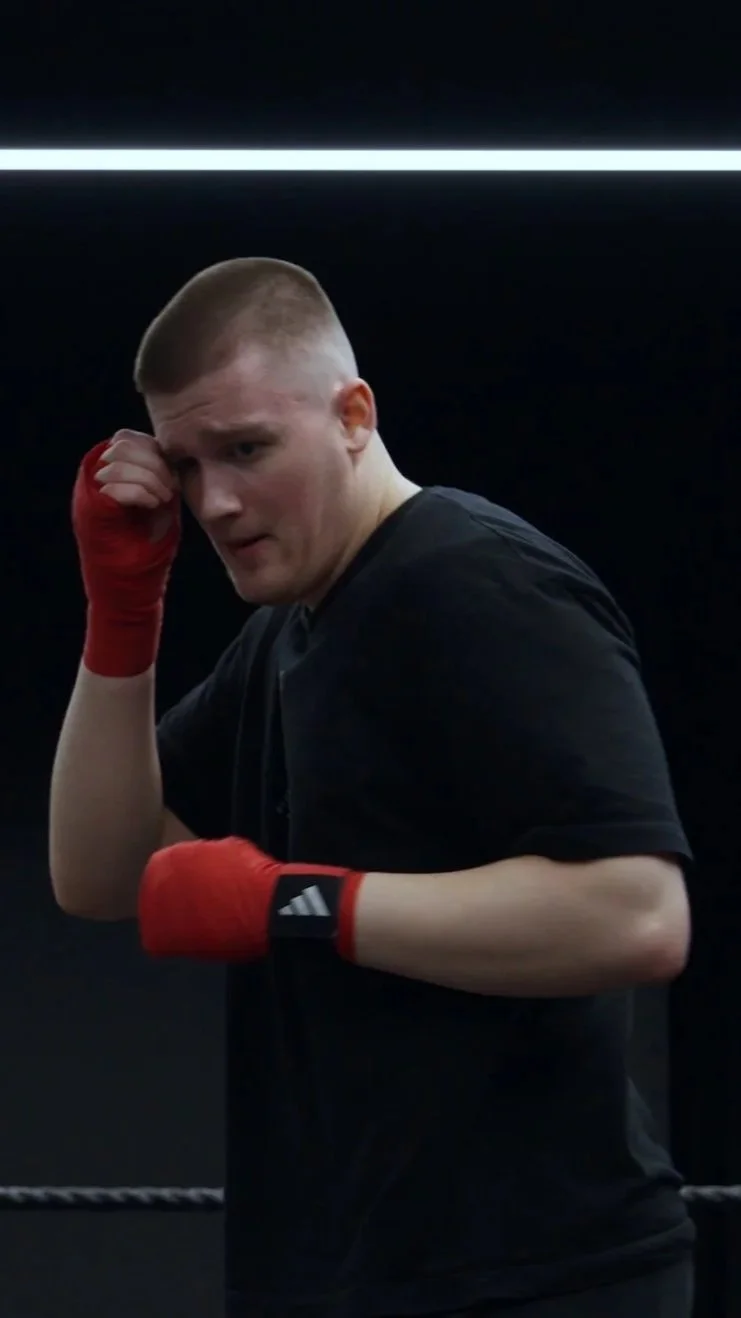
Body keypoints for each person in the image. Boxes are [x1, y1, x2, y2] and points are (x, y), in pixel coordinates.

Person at [49, 257, 696, 1318]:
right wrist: (123, 612)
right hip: (344, 1268)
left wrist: (291, 902)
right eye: (184, 461)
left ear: (354, 414)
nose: (214, 499)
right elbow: (101, 873)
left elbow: (636, 912)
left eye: (249, 449)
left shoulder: (476, 582)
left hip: (537, 1276)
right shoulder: (283, 642)